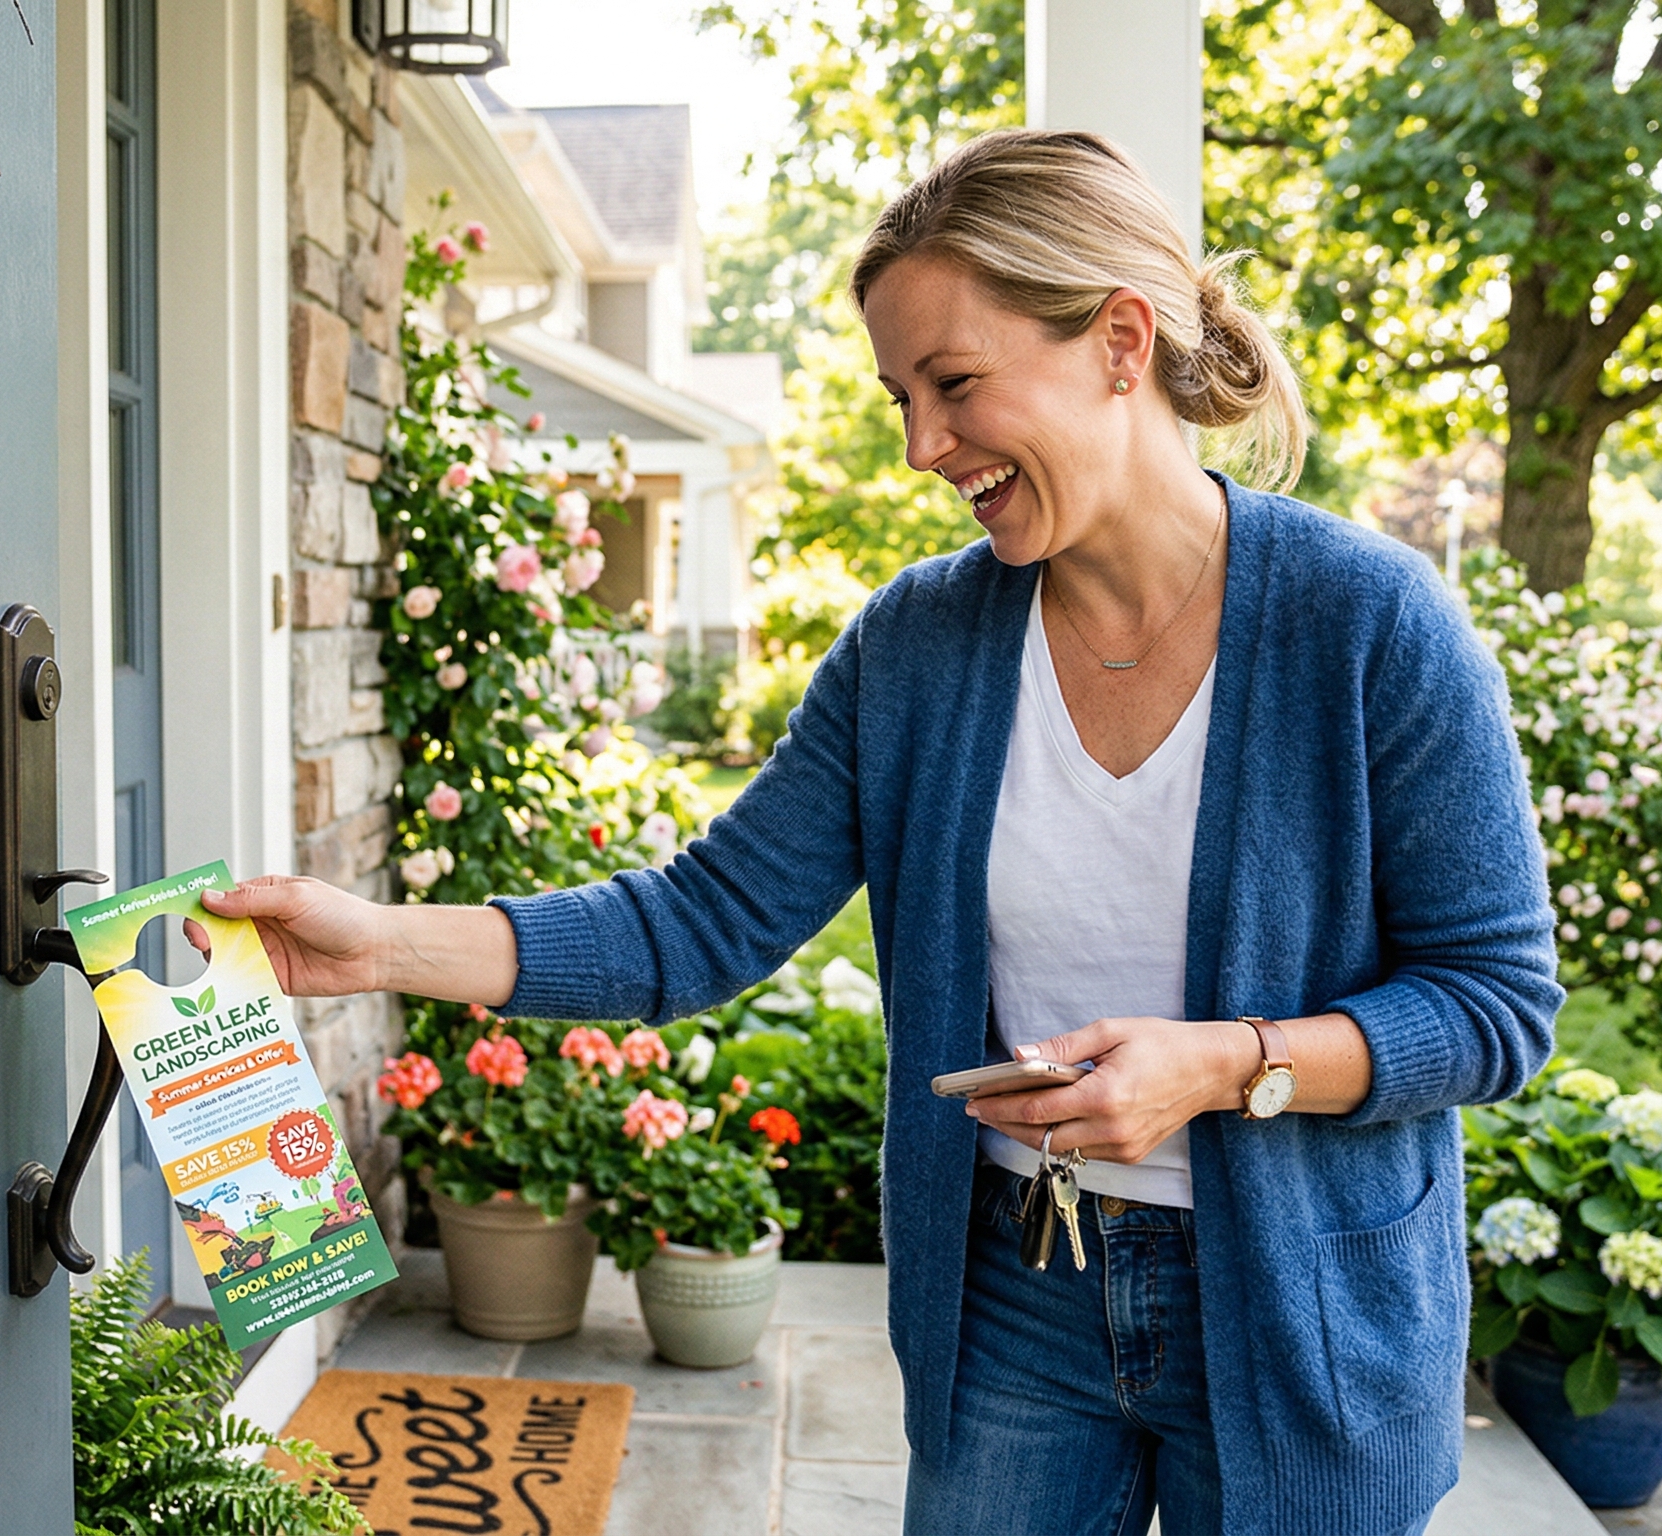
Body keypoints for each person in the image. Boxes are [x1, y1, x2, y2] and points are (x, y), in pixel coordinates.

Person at [203, 129, 1561, 1536]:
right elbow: (700, 920)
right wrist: (371, 947)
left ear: (1118, 340)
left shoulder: (1372, 626)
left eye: (956, 384)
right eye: (903, 395)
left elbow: (1496, 1006)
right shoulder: (918, 645)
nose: (923, 446)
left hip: (1305, 1307)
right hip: (1016, 1293)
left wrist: (1223, 1068)